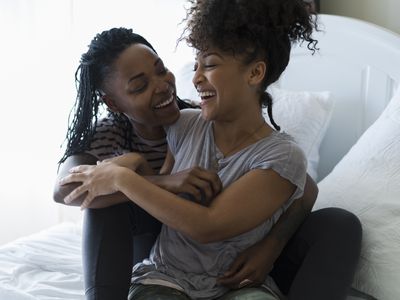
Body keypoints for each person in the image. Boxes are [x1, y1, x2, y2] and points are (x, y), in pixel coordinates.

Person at [58, 1, 362, 299]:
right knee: (103, 206)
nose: (192, 79)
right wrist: (137, 167)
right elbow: (71, 191)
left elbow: (214, 223)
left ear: (255, 74)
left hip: (231, 274)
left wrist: (272, 244)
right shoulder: (172, 126)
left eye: (210, 64)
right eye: (196, 65)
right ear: (114, 103)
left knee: (340, 224)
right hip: (163, 268)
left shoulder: (268, 150)